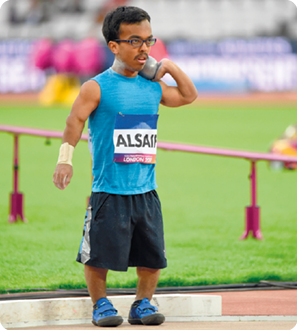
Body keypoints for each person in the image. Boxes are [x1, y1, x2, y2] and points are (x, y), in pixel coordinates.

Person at [53, 5, 197, 328]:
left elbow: (189, 95)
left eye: (148, 40)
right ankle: (100, 304)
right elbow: (74, 121)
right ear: (114, 46)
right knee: (98, 254)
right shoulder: (97, 87)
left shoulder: (153, 87)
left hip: (146, 190)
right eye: (135, 41)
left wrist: (169, 66)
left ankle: (142, 304)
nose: (144, 48)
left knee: (152, 256)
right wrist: (65, 160)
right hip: (107, 190)